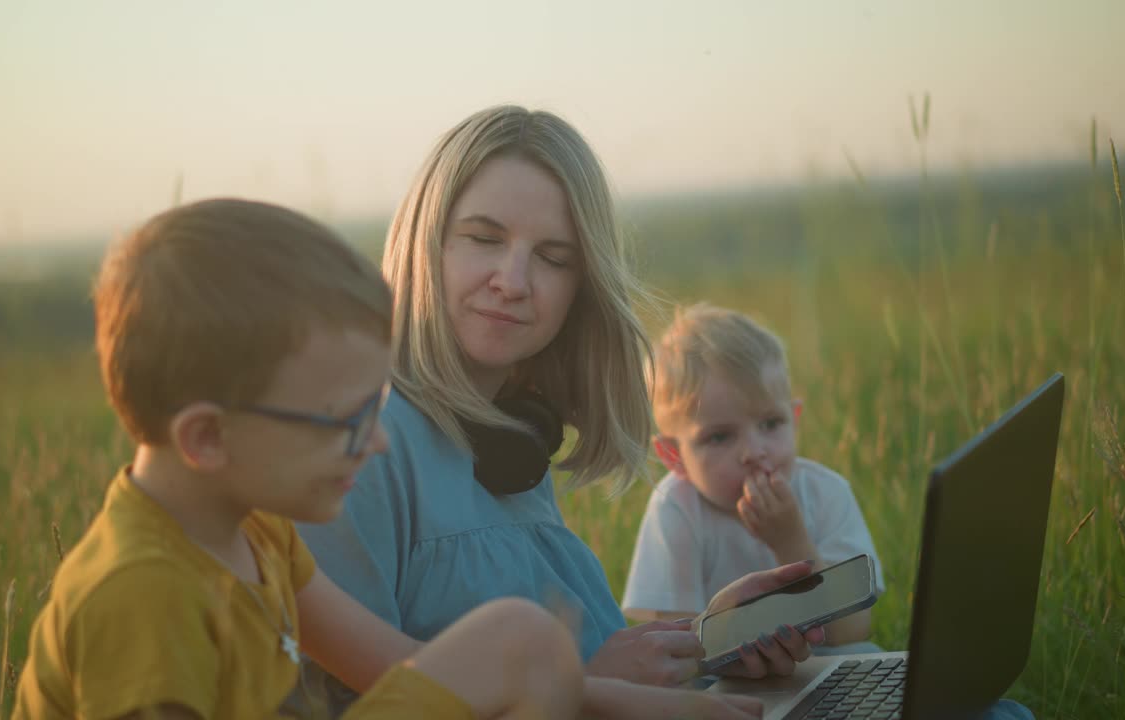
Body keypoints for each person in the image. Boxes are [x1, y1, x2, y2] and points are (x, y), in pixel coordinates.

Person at [298, 106, 826, 719]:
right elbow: (359, 704)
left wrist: (705, 639)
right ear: (426, 242)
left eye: (553, 257)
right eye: (485, 238)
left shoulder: (514, 442)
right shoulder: (366, 441)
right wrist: (580, 686)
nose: (514, 280)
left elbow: (590, 663)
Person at [12, 198, 585, 720]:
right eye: (345, 420)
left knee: (523, 641)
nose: (379, 441)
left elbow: (396, 663)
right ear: (208, 438)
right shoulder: (140, 597)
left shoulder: (257, 530)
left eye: (377, 407)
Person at [621, 303, 884, 654]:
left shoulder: (826, 493)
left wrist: (791, 542)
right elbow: (674, 648)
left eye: (771, 424)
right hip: (719, 686)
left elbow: (854, 630)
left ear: (795, 419)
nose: (754, 451)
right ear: (674, 456)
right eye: (719, 437)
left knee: (867, 656)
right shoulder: (677, 510)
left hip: (819, 669)